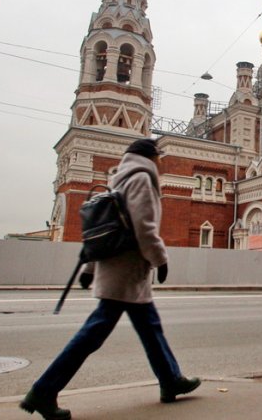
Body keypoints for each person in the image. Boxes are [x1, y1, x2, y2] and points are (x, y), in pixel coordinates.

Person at [20, 139, 200, 420]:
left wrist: (90, 268)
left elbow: (103, 227)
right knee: (93, 335)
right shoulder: (142, 179)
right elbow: (144, 227)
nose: (160, 162)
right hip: (127, 272)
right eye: (159, 157)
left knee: (150, 329)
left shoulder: (120, 179)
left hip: (117, 269)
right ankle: (43, 391)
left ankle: (170, 380)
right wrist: (160, 259)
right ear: (151, 157)